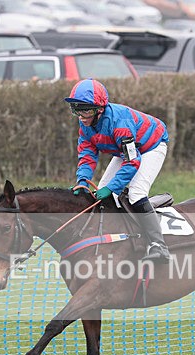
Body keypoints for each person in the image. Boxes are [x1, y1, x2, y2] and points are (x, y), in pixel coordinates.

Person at [66, 79, 170, 263]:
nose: (81, 116)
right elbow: (87, 155)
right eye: (76, 109)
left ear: (100, 109)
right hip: (125, 150)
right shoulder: (85, 124)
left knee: (136, 193)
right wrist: (82, 181)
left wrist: (112, 187)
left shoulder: (120, 123)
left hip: (152, 146)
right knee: (103, 192)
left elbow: (132, 161)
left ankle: (159, 245)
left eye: (86, 110)